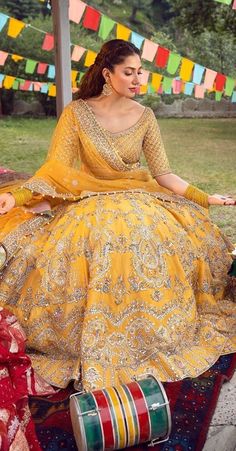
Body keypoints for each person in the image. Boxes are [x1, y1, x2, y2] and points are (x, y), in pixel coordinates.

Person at [0, 39, 235, 392]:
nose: (138, 79)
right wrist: (17, 196)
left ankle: (152, 338)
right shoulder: (77, 113)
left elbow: (164, 175)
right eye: (129, 72)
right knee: (97, 242)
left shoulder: (145, 116)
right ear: (108, 74)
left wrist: (207, 199)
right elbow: (55, 172)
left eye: (140, 72)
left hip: (139, 198)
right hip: (90, 201)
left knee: (149, 240)